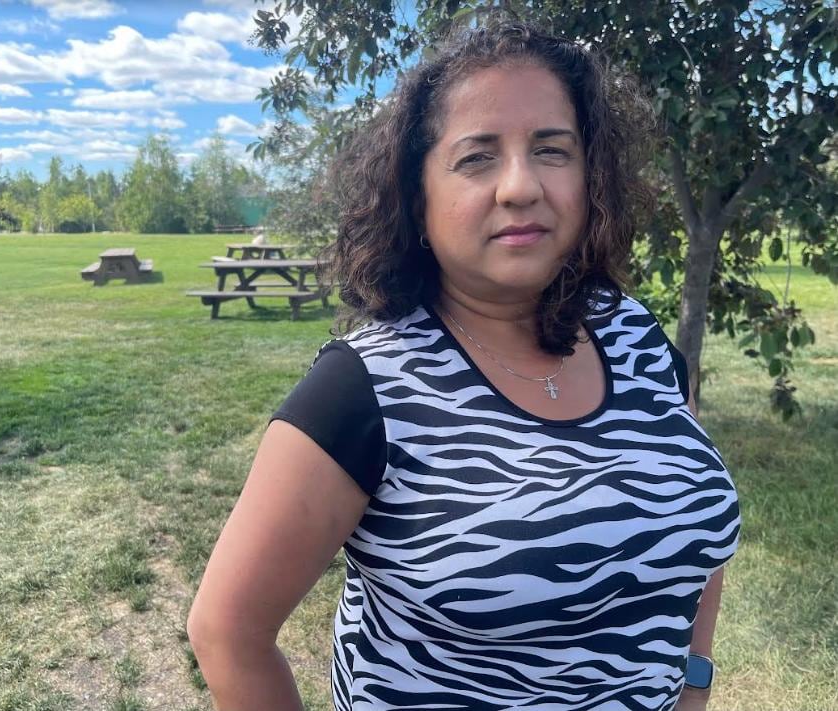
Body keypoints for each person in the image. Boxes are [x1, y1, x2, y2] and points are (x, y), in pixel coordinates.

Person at [187, 22, 740, 711]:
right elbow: (226, 630)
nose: (520, 185)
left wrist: (694, 682)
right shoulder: (364, 390)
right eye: (477, 157)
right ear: (417, 200)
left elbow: (692, 530)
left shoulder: (640, 340)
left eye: (552, 149)